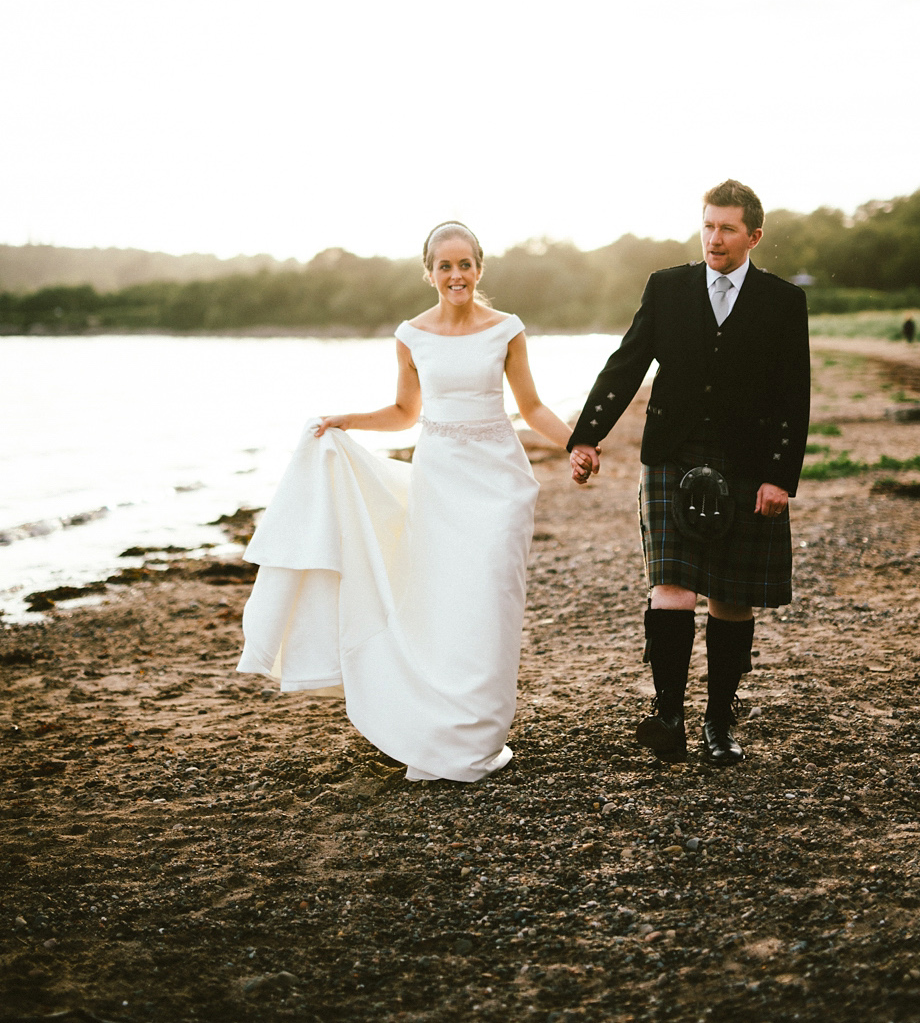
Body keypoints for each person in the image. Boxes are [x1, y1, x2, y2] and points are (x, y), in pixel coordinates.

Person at [236, 221, 572, 782]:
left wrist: (577, 442)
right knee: (444, 604)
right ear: (430, 273)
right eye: (445, 266)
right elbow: (405, 413)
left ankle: (480, 737)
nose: (456, 275)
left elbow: (532, 407)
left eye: (465, 264)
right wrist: (350, 420)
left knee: (492, 600)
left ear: (479, 269)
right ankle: (438, 728)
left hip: (499, 482)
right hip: (439, 481)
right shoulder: (411, 334)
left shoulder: (506, 329)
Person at [567, 181, 810, 767]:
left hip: (748, 461)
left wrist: (780, 476)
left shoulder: (782, 302)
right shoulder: (668, 287)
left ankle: (719, 720)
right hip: (673, 454)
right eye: (707, 225)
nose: (714, 238)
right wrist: (586, 435)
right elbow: (626, 363)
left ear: (753, 235)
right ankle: (669, 715)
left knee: (732, 594)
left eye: (727, 228)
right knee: (671, 586)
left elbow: (792, 396)